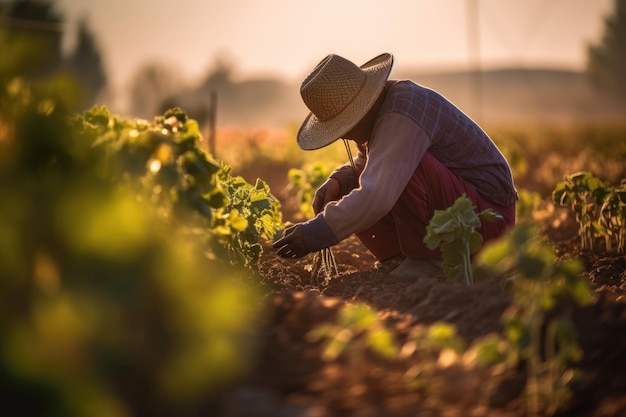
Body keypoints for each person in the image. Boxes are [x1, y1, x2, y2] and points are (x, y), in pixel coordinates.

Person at [273, 53, 517, 278]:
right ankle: (400, 259)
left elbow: (377, 195)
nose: (345, 137)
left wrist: (314, 233)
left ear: (362, 109)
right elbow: (370, 163)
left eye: (344, 128)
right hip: (464, 216)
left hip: (486, 222)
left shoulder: (402, 114)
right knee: (362, 179)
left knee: (395, 171)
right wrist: (340, 179)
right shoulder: (385, 111)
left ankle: (427, 261)